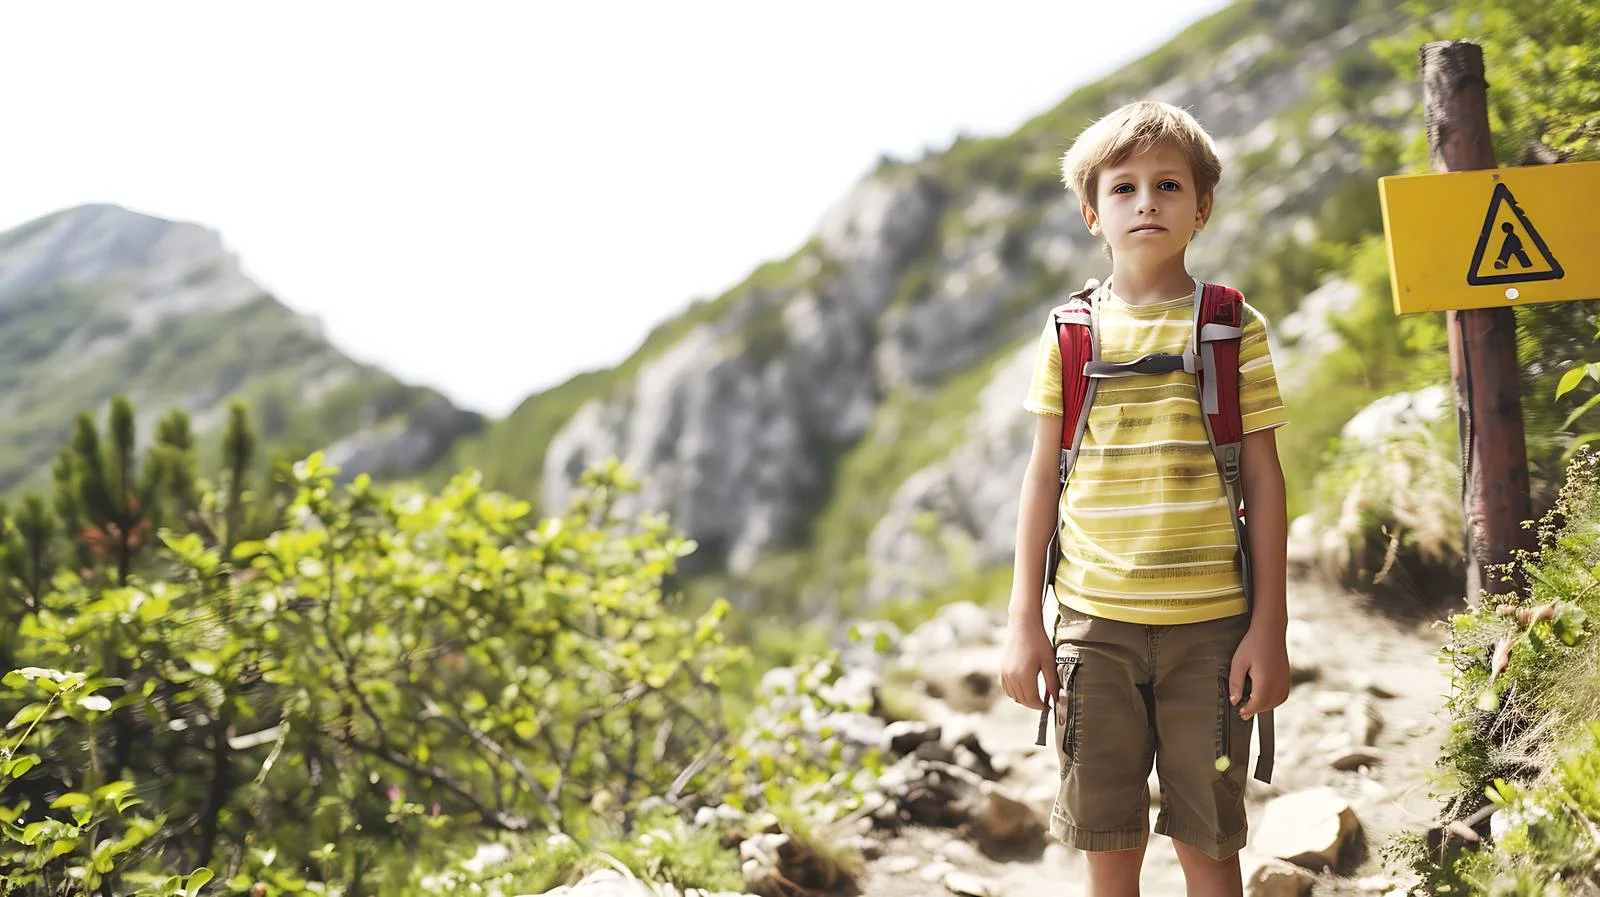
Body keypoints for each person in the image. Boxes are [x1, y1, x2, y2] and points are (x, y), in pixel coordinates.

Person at [1000, 100, 1291, 897]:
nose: (1147, 202)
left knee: (1208, 842)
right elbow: (1041, 480)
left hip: (1213, 626)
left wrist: (1270, 626)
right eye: (1123, 188)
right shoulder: (1069, 334)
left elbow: (1265, 482)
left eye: (1167, 185)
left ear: (1202, 207)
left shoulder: (1233, 328)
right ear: (1093, 213)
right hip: (1094, 628)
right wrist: (1025, 618)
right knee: (1106, 840)